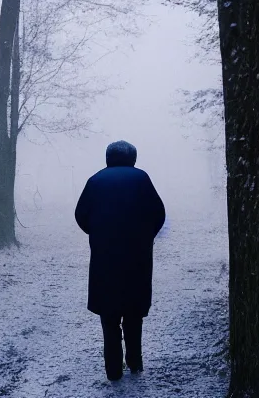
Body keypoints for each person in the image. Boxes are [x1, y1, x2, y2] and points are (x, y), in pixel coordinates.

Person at [74, 140, 165, 381]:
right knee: (134, 313)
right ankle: (135, 362)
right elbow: (158, 213)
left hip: (105, 258)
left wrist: (99, 233)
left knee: (109, 315)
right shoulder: (142, 179)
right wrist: (145, 236)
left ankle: (113, 370)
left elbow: (81, 215)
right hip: (137, 257)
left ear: (108, 157)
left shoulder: (95, 181)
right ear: (133, 157)